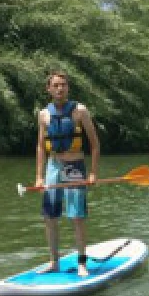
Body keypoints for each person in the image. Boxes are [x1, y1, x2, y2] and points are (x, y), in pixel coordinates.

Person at [35, 71, 100, 276]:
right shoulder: (44, 114)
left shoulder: (80, 111)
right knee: (50, 216)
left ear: (68, 87)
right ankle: (54, 262)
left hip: (75, 167)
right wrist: (39, 176)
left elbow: (95, 144)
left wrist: (93, 173)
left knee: (77, 216)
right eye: (55, 85)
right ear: (49, 89)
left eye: (63, 84)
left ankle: (82, 263)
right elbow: (40, 147)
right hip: (53, 167)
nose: (60, 88)